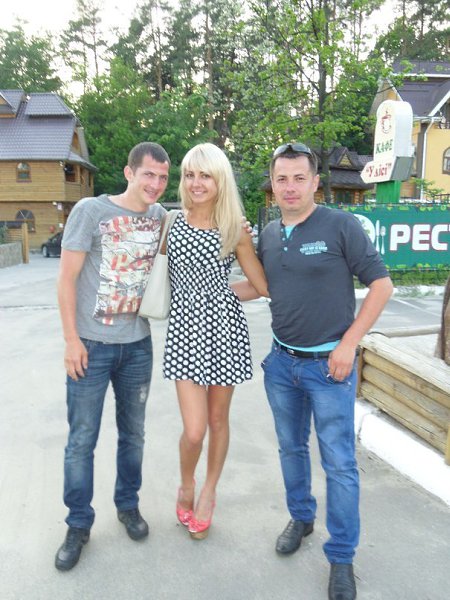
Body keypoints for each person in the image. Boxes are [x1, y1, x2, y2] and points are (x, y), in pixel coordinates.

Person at [238, 142, 393, 600]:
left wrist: (348, 344)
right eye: (281, 179)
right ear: (273, 184)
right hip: (281, 364)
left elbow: (381, 286)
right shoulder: (269, 234)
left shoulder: (340, 225)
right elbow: (262, 287)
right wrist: (202, 290)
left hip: (330, 368)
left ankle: (341, 557)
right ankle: (301, 517)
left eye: (299, 178)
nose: (290, 187)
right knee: (291, 449)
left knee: (340, 465)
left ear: (315, 182)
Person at [55, 142, 170, 571]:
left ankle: (128, 505)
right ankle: (78, 524)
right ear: (129, 172)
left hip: (137, 346)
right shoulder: (90, 211)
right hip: (91, 345)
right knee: (81, 440)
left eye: (163, 177)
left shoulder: (161, 218)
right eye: (148, 174)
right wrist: (71, 340)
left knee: (134, 435)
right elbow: (66, 279)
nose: (155, 184)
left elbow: (199, 231)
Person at [162, 142, 269, 540]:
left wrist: (217, 295)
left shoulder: (234, 229)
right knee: (194, 430)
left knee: (218, 420)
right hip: (184, 335)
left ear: (220, 179)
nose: (196, 183)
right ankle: (186, 484)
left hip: (224, 332)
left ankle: (208, 492)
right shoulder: (171, 222)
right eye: (190, 175)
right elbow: (154, 272)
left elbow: (260, 286)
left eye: (205, 175)